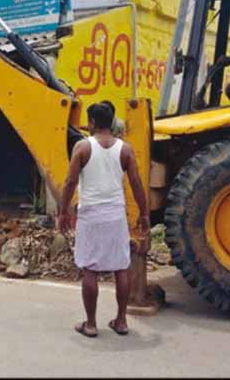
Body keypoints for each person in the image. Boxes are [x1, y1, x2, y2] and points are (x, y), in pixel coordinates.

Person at [59, 103, 150, 338]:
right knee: (121, 266)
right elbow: (137, 184)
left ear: (90, 122)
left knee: (90, 268)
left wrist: (63, 212)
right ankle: (120, 321)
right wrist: (144, 213)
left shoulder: (82, 147)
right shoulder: (125, 149)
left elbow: (69, 183)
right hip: (116, 215)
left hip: (91, 214)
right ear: (111, 123)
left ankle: (90, 324)